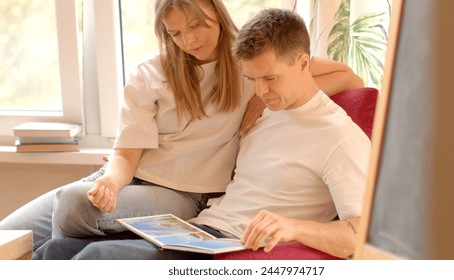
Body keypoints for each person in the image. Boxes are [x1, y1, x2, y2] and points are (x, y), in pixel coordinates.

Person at [0, 0, 363, 252]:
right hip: (124, 179)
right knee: (15, 235)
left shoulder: (247, 63)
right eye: (175, 33)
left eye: (196, 25)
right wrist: (109, 181)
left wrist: (259, 95)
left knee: (70, 218)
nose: (189, 41)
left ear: (217, 12)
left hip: (182, 194)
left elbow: (347, 77)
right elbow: (125, 156)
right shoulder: (152, 73)